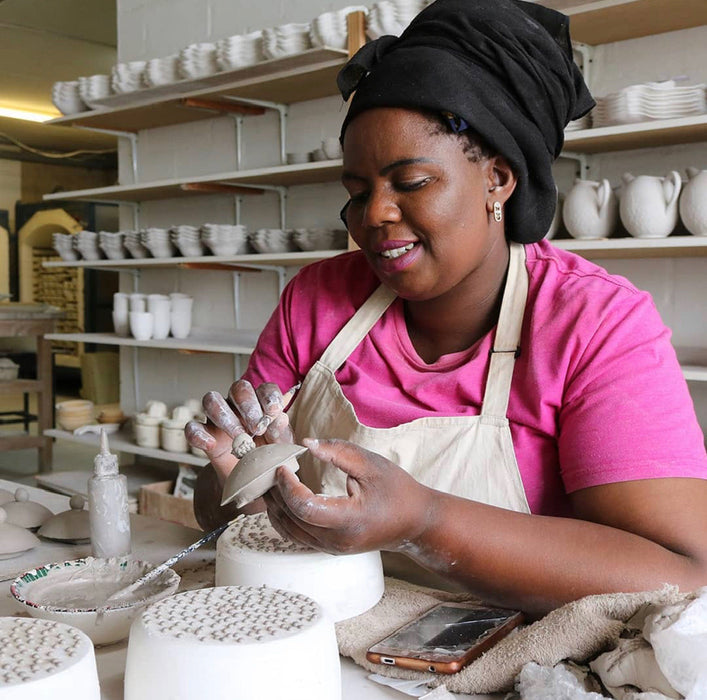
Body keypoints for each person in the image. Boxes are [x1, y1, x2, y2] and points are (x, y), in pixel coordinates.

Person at [186, 0, 707, 616]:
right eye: (357, 192)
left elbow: (681, 572)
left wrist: (425, 522)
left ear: (499, 178)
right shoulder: (315, 301)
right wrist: (248, 480)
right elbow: (219, 504)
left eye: (410, 183)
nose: (373, 215)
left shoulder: (594, 323)